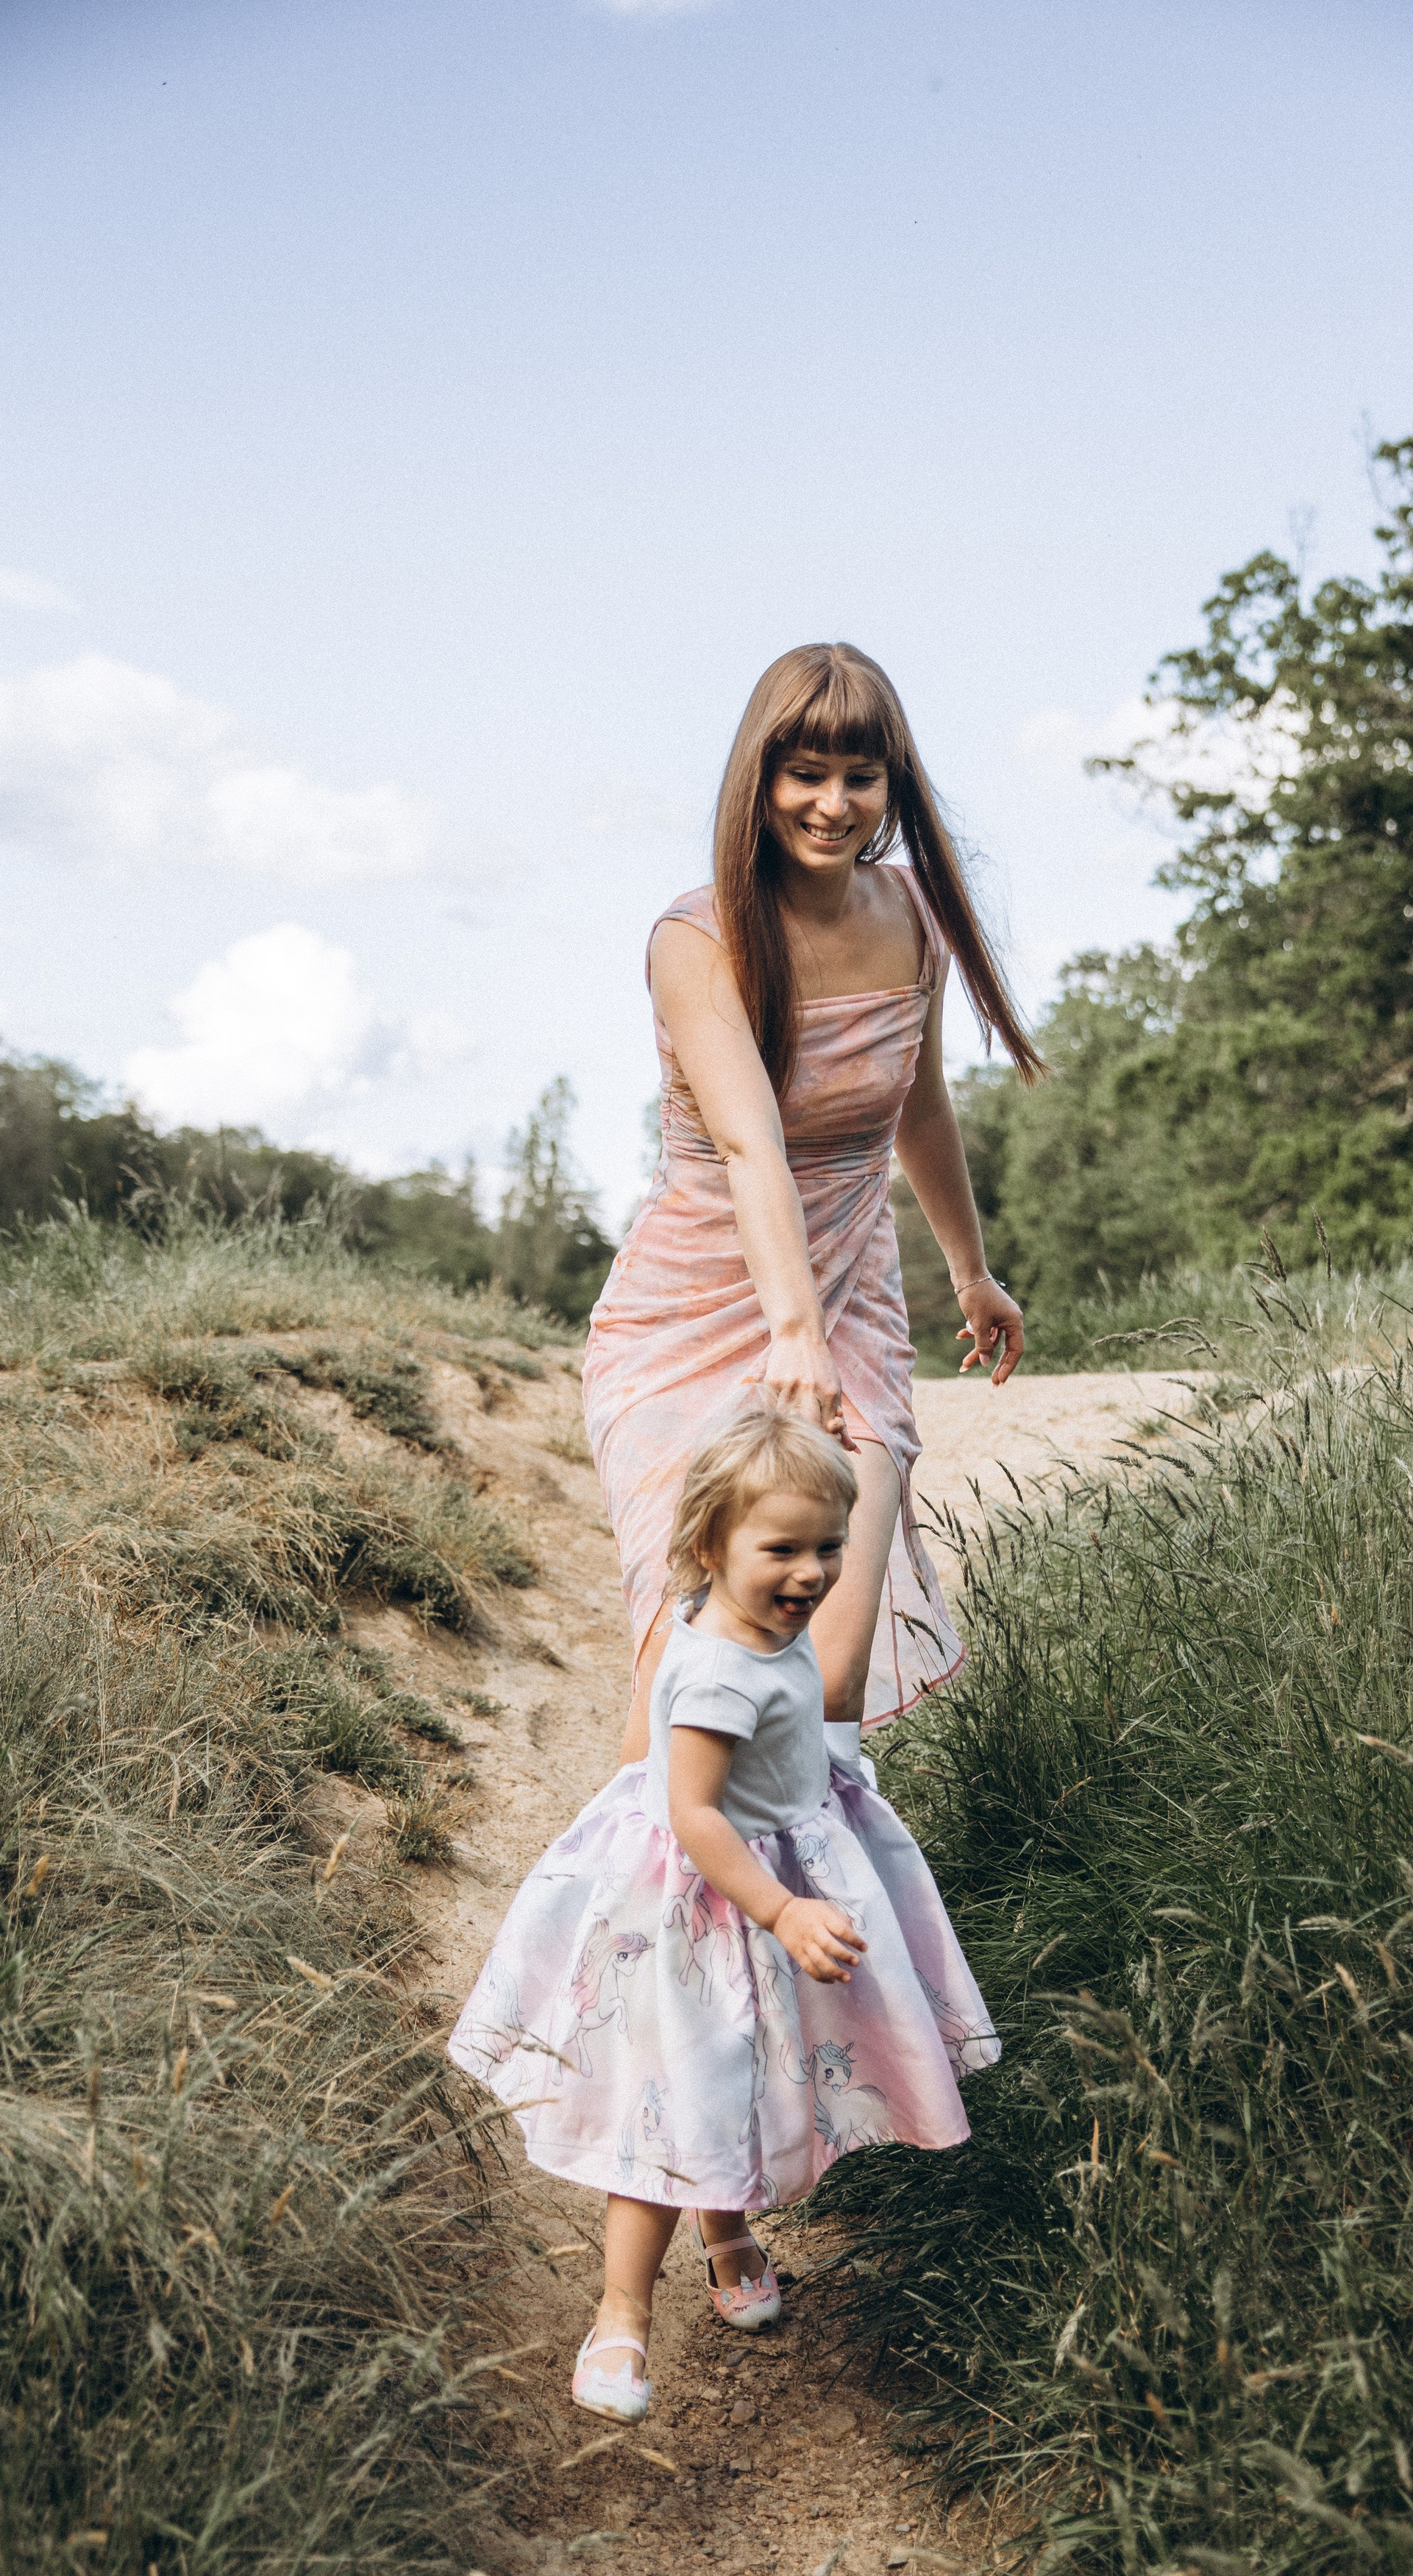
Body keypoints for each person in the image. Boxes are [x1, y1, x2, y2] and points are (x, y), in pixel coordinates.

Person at [446, 1399, 999, 2420]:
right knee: (674, 2096)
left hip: (766, 1872)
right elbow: (693, 1815)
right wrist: (786, 1911)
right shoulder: (714, 1676)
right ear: (710, 1545)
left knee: (730, 2075)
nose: (813, 1574)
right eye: (782, 1549)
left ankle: (728, 2230)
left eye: (828, 1547)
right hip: (703, 1909)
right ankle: (621, 2315)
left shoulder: (757, 1626)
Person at [583, 639, 1041, 1780]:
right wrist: (791, 1338)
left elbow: (920, 1109)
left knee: (824, 1674)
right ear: (760, 777)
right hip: (691, 1314)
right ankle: (633, 1941)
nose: (833, 803)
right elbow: (750, 1145)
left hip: (852, 1305)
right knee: (690, 1674)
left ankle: (793, 1923)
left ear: (894, 785)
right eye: (805, 772)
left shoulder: (914, 920)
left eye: (860, 775)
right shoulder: (698, 940)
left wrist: (970, 1272)